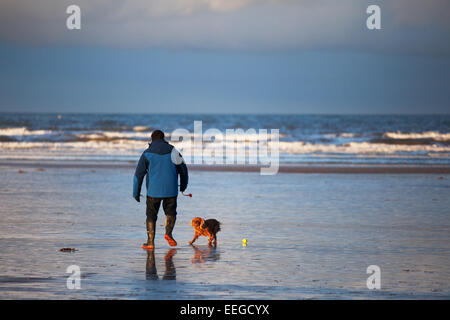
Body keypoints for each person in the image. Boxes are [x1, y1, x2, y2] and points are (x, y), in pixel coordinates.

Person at [133, 130, 188, 249]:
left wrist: (136, 193)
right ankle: (168, 234)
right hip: (171, 191)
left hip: (153, 192)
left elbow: (138, 175)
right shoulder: (174, 151)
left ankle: (150, 242)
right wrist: (183, 187)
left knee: (151, 216)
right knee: (171, 212)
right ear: (163, 138)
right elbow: (184, 171)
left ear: (151, 140)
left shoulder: (147, 153)